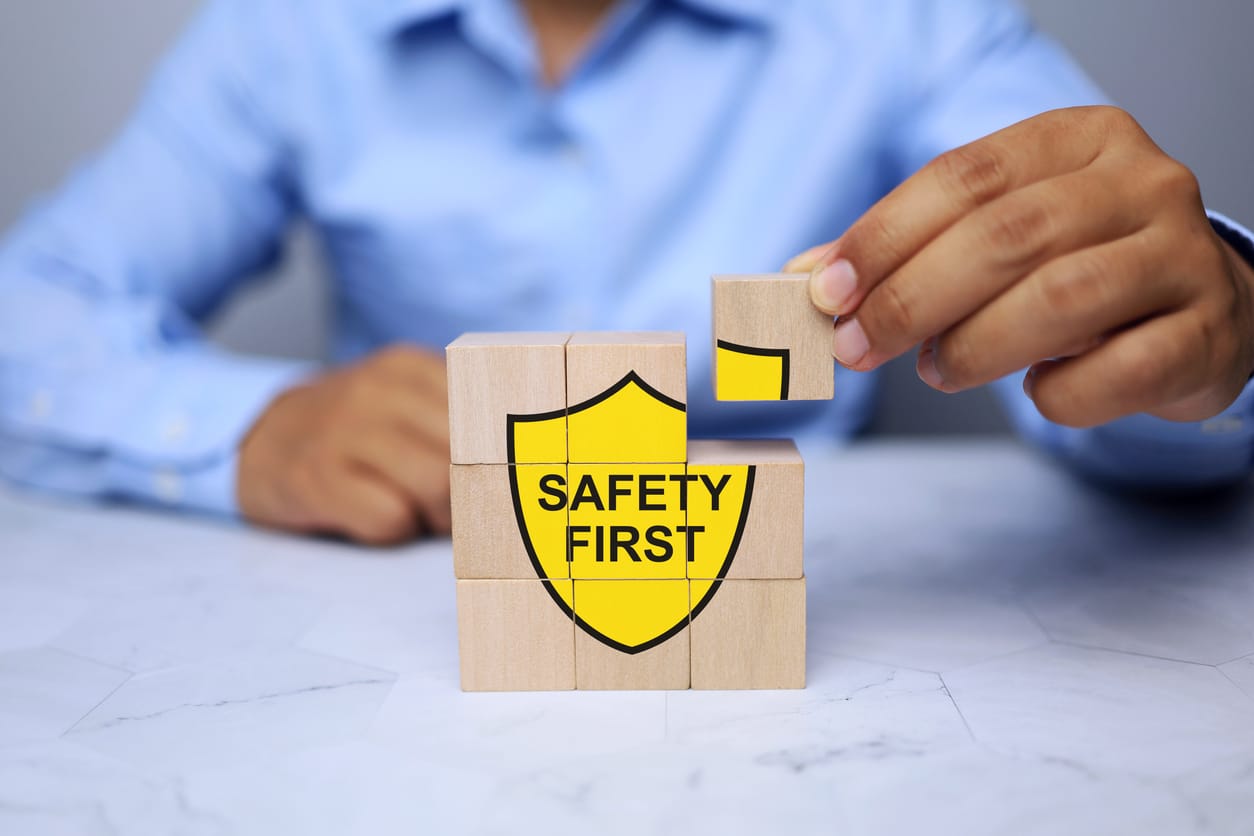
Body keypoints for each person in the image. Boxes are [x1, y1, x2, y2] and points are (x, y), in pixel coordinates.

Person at [1, 0, 1251, 545]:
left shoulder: (902, 20)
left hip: (806, 643)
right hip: (408, 607)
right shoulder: (292, 28)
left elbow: (1113, 326)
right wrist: (249, 429)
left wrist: (1216, 334)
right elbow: (29, 306)